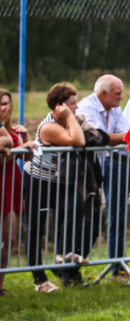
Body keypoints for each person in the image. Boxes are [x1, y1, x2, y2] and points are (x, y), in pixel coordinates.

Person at [22, 83, 88, 291]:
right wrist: (70, 118)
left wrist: (73, 118)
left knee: (76, 206)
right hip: (37, 180)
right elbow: (78, 141)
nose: (77, 107)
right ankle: (39, 278)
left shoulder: (69, 120)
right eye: (72, 104)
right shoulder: (49, 127)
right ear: (60, 106)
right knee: (36, 227)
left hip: (59, 181)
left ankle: (63, 253)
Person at [79, 75, 130, 274]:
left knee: (95, 219)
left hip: (100, 169)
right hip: (84, 170)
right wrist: (115, 138)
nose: (121, 98)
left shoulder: (115, 108)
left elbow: (123, 134)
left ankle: (77, 266)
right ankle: (71, 267)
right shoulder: (87, 107)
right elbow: (98, 138)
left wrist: (114, 138)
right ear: (104, 94)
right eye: (117, 94)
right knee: (84, 217)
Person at [0, 89, 38, 296]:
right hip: (0, 182)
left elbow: (27, 158)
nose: (4, 108)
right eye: (1, 104)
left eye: (7, 103)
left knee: (10, 238)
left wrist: (26, 139)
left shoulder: (13, 130)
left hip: (12, 183)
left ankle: (0, 284)